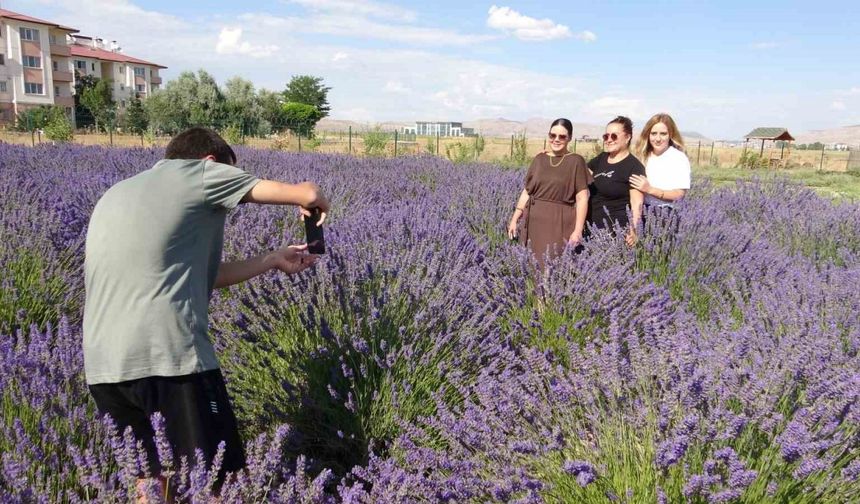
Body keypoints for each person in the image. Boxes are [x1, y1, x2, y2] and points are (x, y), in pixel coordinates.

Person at [83, 127, 330, 497]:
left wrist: (273, 259)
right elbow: (308, 191)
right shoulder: (199, 173)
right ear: (212, 163)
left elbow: (205, 277)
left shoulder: (118, 192)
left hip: (105, 368)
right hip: (169, 359)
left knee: (151, 483)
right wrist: (312, 201)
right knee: (219, 484)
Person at [507, 118, 591, 266]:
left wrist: (578, 230)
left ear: (569, 138)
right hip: (533, 221)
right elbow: (527, 191)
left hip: (559, 223)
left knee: (552, 267)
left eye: (562, 136)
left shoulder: (576, 161)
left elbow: (582, 198)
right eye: (552, 135)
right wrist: (515, 219)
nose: (556, 140)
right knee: (531, 267)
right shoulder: (539, 159)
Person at [586, 116, 645, 245]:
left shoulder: (634, 167)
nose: (609, 140)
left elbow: (636, 203)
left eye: (614, 136)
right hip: (592, 230)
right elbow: (579, 174)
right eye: (606, 136)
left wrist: (634, 230)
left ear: (628, 137)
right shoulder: (601, 159)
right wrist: (554, 156)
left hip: (616, 233)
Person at [630, 113, 691, 210]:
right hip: (641, 210)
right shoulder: (641, 155)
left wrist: (650, 189)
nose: (658, 139)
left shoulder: (678, 158)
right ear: (648, 135)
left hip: (665, 213)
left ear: (670, 135)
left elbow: (679, 195)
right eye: (653, 133)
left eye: (663, 134)